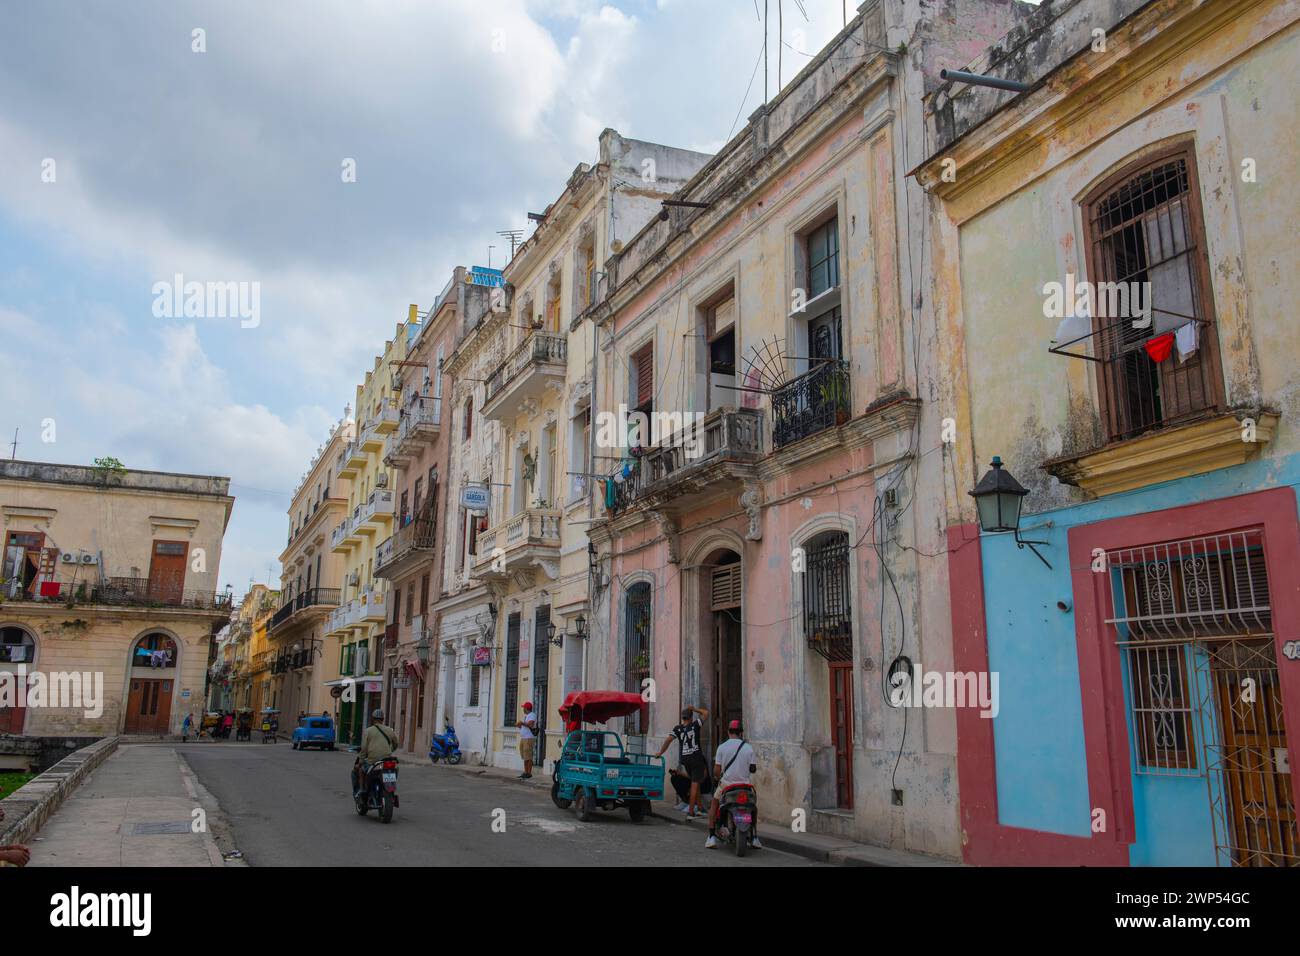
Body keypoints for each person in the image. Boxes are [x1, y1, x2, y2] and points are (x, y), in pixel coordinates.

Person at [705, 719, 760, 850]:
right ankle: (755, 837)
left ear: (728, 732)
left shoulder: (722, 747)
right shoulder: (748, 748)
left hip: (727, 786)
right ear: (741, 733)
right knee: (753, 807)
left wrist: (717, 777)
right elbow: (753, 769)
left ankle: (711, 836)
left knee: (714, 803)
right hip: (745, 786)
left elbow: (717, 771)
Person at [655, 705, 709, 817]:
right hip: (696, 758)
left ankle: (699, 807)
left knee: (695, 781)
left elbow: (668, 740)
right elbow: (706, 713)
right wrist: (695, 709)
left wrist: (660, 752)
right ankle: (691, 812)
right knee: (694, 784)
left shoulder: (677, 729)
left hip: (685, 759)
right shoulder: (695, 725)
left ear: (682, 717)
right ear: (691, 717)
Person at [352, 708, 398, 798]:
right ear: (383, 719)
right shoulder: (389, 730)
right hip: (387, 760)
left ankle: (362, 790)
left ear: (373, 719)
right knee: (394, 769)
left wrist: (360, 761)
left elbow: (364, 748)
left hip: (372, 761)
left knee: (359, 769)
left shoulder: (368, 731)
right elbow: (396, 744)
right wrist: (390, 750)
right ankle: (391, 789)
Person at [515, 701, 537, 779]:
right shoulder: (527, 716)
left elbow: (530, 724)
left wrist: (522, 723)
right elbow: (525, 726)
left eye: (524, 707)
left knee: (528, 756)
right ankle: (525, 772)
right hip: (524, 738)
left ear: (527, 708)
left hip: (528, 738)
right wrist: (519, 725)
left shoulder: (532, 715)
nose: (523, 709)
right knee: (524, 756)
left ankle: (529, 772)